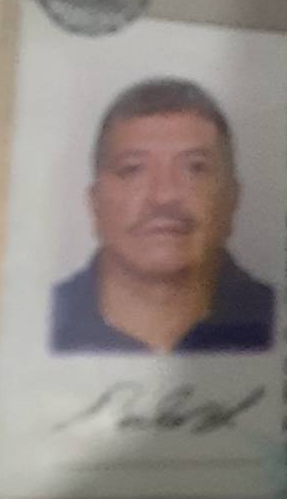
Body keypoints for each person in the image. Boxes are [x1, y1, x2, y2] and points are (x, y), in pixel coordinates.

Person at [51, 78, 274, 352]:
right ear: (95, 203)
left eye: (195, 168)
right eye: (133, 169)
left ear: (232, 199)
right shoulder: (39, 321)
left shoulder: (284, 320)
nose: (164, 196)